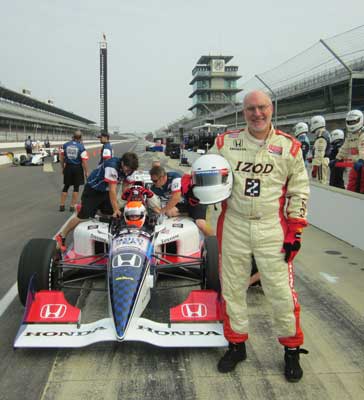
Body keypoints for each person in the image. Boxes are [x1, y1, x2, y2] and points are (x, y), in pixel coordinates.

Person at [207, 90, 310, 382]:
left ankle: (291, 350)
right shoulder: (225, 142)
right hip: (235, 224)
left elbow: (299, 190)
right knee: (232, 289)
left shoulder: (289, 147)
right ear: (244, 112)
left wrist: (295, 230)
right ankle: (236, 345)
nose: (257, 114)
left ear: (271, 109)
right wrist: (191, 185)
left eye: (262, 107)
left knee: (281, 293)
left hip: (271, 227)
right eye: (251, 108)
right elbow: (202, 171)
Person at [55, 152, 139, 251]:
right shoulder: (112, 166)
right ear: (122, 163)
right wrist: (116, 209)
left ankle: (107, 232)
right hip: (93, 189)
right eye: (127, 169)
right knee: (83, 216)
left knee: (113, 215)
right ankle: (62, 235)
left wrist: (125, 202)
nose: (128, 172)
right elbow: (112, 190)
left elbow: (126, 186)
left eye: (131, 170)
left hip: (105, 190)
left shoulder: (131, 169)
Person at [149, 165, 213, 236]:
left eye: (155, 181)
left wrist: (163, 210)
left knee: (200, 224)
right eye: (152, 180)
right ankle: (191, 216)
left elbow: (176, 197)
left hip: (195, 201)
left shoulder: (175, 178)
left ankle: (213, 240)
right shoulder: (154, 187)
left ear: (163, 177)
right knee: (169, 212)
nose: (153, 183)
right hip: (184, 204)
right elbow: (150, 202)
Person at [333, 110, 364, 193]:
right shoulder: (350, 135)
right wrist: (338, 158)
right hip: (355, 166)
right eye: (350, 122)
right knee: (352, 188)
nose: (352, 124)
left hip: (362, 165)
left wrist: (361, 160)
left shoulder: (362, 134)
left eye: (354, 121)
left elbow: (363, 149)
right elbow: (344, 149)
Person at [59, 130, 89, 212]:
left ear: (73, 136)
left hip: (68, 167)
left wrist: (63, 168)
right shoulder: (81, 147)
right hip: (77, 168)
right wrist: (86, 172)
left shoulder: (65, 145)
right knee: (76, 187)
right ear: (80, 138)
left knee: (66, 186)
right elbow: (84, 161)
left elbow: (61, 158)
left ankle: (62, 205)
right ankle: (72, 206)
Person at [310, 115, 331, 184]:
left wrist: (315, 167)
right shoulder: (325, 133)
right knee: (322, 181)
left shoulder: (321, 135)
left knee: (320, 183)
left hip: (320, 163)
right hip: (323, 161)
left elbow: (319, 153)